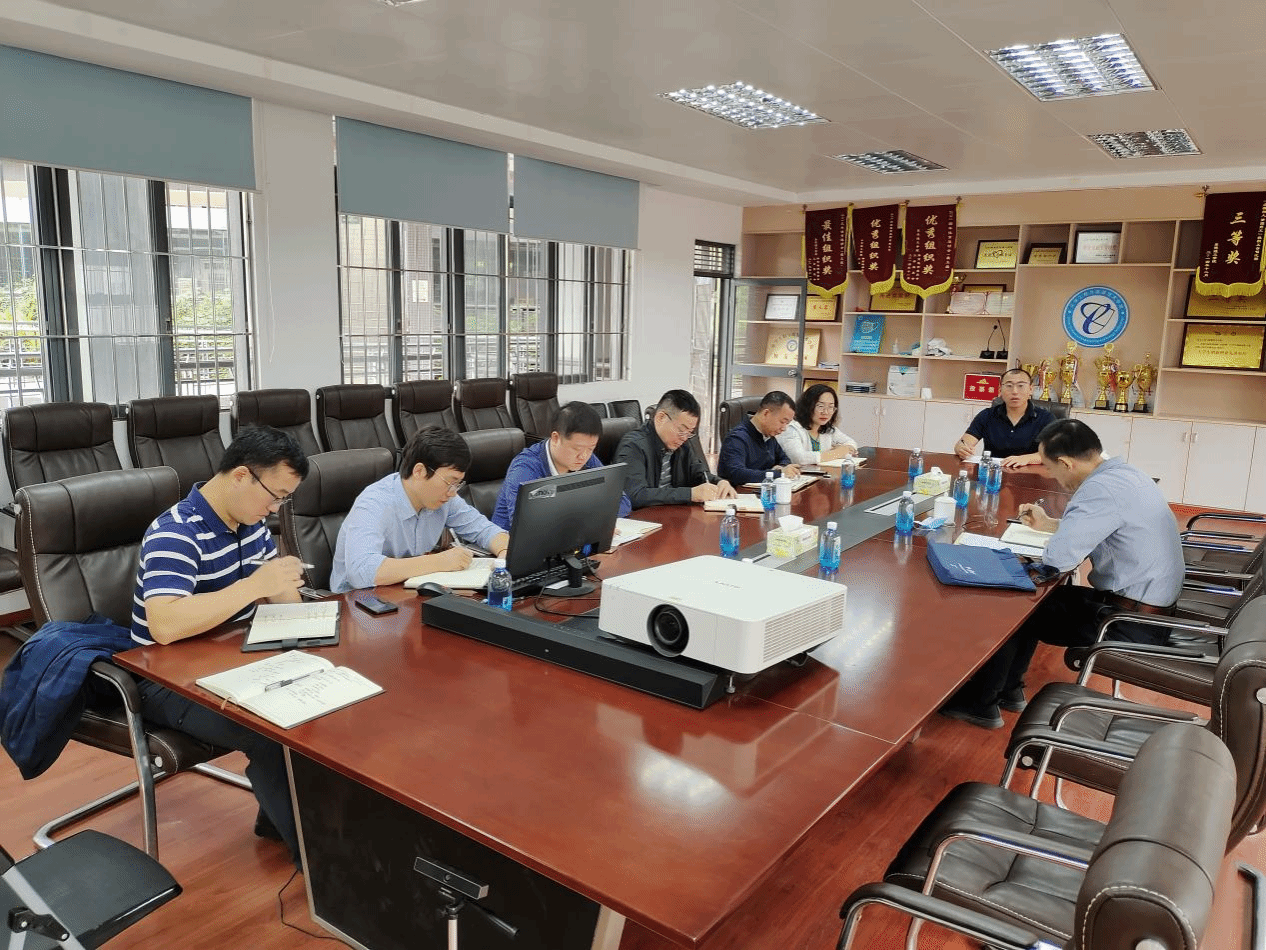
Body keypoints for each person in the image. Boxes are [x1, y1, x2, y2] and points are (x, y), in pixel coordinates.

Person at [131, 426, 311, 866]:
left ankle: (284, 821)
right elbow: (165, 624)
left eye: (284, 500)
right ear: (241, 476)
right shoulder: (176, 531)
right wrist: (255, 586)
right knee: (270, 732)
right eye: (275, 496)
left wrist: (287, 593)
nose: (276, 509)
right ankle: (317, 859)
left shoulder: (251, 524)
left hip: (232, 659)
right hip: (166, 679)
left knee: (320, 701)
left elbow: (280, 600)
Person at [941, 418, 1185, 730]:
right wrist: (1049, 524)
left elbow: (1058, 558)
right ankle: (1007, 691)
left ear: (1067, 463)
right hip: (1150, 609)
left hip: (1129, 624)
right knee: (1039, 601)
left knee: (1015, 607)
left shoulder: (1097, 490)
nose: (1051, 476)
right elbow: (1105, 527)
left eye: (1049, 467)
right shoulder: (1125, 474)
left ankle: (982, 703)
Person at [331, 426, 508, 592]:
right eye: (449, 482)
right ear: (419, 471)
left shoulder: (445, 498)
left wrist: (504, 553)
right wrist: (439, 562)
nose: (453, 492)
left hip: (406, 592)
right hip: (360, 600)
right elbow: (361, 572)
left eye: (457, 484)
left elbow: (484, 530)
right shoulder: (374, 503)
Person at [493, 401, 632, 529]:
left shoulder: (587, 459)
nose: (583, 456)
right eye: (576, 449)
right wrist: (590, 520)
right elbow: (525, 527)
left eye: (591, 448)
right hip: (508, 545)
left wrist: (593, 521)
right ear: (555, 438)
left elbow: (622, 501)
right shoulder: (525, 468)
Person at [614, 389, 736, 508]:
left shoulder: (682, 443)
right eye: (681, 430)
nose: (685, 438)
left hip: (673, 514)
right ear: (661, 418)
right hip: (643, 517)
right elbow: (635, 495)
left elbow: (698, 473)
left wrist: (719, 482)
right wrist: (690, 494)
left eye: (690, 432)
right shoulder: (634, 446)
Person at [953, 367, 1055, 468]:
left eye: (1021, 386)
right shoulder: (987, 415)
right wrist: (961, 449)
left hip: (1030, 474)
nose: (1014, 391)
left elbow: (1054, 453)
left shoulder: (1046, 418)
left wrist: (1026, 459)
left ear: (1031, 389)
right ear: (1000, 390)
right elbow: (962, 444)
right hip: (993, 472)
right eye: (1009, 386)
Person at [717, 391, 801, 485]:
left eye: (787, 423)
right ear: (766, 414)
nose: (784, 428)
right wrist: (778, 473)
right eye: (782, 422)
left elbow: (785, 459)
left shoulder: (769, 436)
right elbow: (737, 474)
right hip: (741, 492)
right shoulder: (737, 438)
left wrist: (780, 468)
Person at [777, 384, 858, 466]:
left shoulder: (828, 429)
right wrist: (838, 452)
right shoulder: (792, 428)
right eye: (820, 406)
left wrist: (835, 452)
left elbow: (851, 443)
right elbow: (800, 458)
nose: (825, 412)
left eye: (830, 407)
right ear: (807, 406)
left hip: (821, 472)